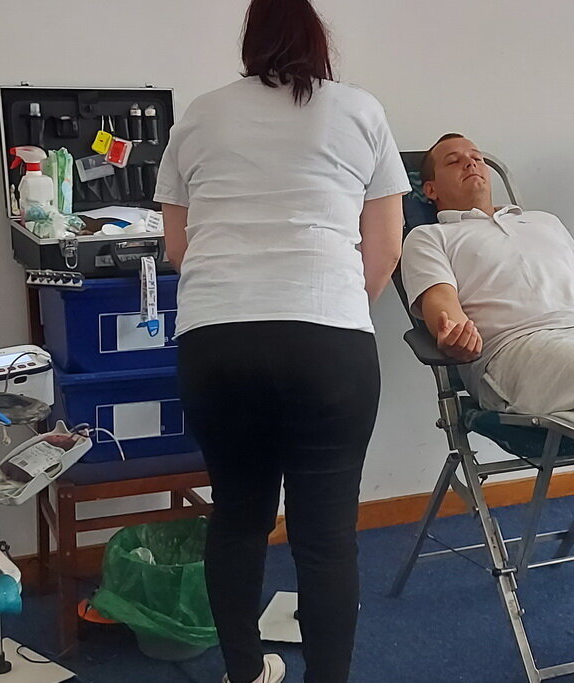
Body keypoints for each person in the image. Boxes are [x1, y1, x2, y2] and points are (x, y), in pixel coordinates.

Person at [155, 1, 409, 681]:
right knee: (325, 537)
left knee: (238, 516)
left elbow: (178, 247)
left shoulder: (200, 114)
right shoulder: (361, 110)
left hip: (218, 341)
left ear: (251, 42)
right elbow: (386, 249)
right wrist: (334, 312)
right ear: (319, 41)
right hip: (328, 341)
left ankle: (245, 671)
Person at [402, 133, 574, 417]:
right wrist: (456, 335)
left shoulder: (545, 221)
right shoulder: (429, 237)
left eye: (477, 158)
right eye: (454, 161)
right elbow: (442, 305)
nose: (470, 163)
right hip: (514, 349)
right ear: (430, 189)